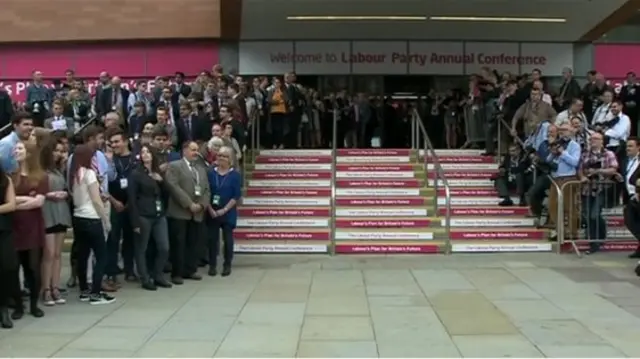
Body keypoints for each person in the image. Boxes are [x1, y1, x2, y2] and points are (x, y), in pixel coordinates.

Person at [69, 145, 115, 305]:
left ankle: (84, 290)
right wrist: (106, 220)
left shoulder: (74, 174)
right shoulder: (89, 174)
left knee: (83, 254)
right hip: (91, 217)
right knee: (101, 255)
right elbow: (96, 199)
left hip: (78, 216)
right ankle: (96, 292)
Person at [165, 141, 210, 284]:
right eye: (192, 150)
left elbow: (206, 189)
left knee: (193, 242)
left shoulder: (201, 169)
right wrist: (189, 204)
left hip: (196, 213)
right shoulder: (175, 166)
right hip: (180, 212)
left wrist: (202, 204)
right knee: (179, 243)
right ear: (184, 150)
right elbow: (173, 187)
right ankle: (177, 273)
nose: (195, 152)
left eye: (197, 150)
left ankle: (190, 269)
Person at [128, 145, 172, 291]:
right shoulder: (136, 174)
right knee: (142, 248)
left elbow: (167, 193)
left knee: (164, 247)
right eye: (142, 152)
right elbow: (132, 199)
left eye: (148, 152)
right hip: (143, 215)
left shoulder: (158, 172)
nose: (145, 154)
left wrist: (161, 181)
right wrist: (134, 221)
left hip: (159, 214)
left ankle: (158, 274)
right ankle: (145, 278)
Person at [12, 141, 48, 318]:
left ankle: (34, 304)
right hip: (14, 228)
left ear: (29, 153)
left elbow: (39, 202)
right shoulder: (11, 175)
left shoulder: (40, 176)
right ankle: (18, 306)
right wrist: (25, 200)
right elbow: (8, 202)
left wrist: (17, 201)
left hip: (33, 227)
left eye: (20, 149)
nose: (16, 151)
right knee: (13, 268)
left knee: (33, 269)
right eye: (16, 149)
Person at [40, 139, 71, 306]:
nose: (59, 153)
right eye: (56, 150)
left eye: (61, 150)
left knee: (58, 254)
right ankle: (45, 289)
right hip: (47, 213)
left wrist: (65, 194)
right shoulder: (41, 170)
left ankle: (55, 286)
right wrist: (48, 195)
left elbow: (66, 189)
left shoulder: (59, 170)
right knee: (49, 254)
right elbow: (36, 191)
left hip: (60, 212)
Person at [579, 132, 618, 254]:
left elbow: (613, 169)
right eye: (591, 139)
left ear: (602, 141)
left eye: (596, 138)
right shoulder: (585, 153)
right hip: (588, 189)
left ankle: (596, 241)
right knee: (588, 215)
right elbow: (580, 169)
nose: (593, 140)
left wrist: (598, 171)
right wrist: (582, 177)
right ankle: (595, 239)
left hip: (602, 189)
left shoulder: (608, 154)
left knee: (594, 215)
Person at [106, 128, 136, 285]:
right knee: (113, 239)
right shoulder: (109, 160)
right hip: (114, 203)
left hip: (132, 204)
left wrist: (131, 203)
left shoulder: (135, 159)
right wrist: (113, 201)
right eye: (112, 143)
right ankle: (112, 272)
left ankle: (130, 269)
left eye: (117, 141)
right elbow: (103, 183)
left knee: (130, 239)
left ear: (125, 141)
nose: (114, 145)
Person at [206, 146, 241, 277]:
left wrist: (224, 210)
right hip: (212, 210)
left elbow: (236, 196)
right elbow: (206, 192)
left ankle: (227, 264)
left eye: (225, 156)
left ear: (230, 159)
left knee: (228, 239)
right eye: (219, 155)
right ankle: (212, 265)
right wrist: (210, 208)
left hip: (228, 210)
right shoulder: (211, 173)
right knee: (212, 239)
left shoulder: (235, 175)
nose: (221, 158)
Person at [0, 164, 18, 328]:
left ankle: (4, 308)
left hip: (3, 230)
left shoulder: (5, 180)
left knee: (6, 268)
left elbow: (11, 204)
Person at [619, 138, 640, 258]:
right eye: (627, 146)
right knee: (629, 221)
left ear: (638, 148)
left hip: (638, 196)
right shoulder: (625, 161)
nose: (628, 148)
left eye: (631, 146)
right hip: (629, 196)